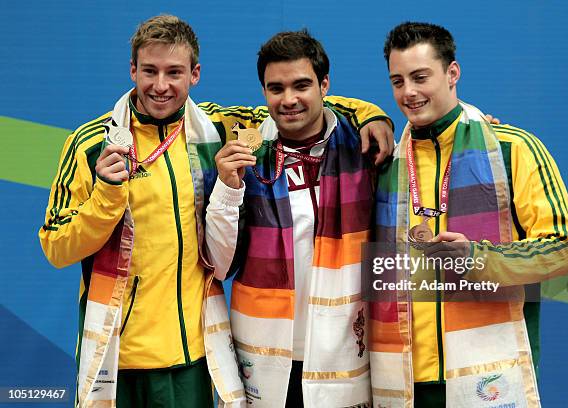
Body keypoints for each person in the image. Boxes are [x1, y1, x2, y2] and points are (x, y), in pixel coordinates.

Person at [38, 15, 393, 408]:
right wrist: (106, 194)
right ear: (132, 70)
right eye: (150, 71)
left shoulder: (219, 126)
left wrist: (371, 113)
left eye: (174, 72)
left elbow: (297, 109)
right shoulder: (91, 143)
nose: (161, 85)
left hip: (194, 353)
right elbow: (57, 247)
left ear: (195, 74)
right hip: (117, 349)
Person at [370, 22, 568, 407]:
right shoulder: (383, 162)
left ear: (452, 73)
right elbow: (306, 107)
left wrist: (478, 259)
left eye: (420, 77)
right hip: (400, 380)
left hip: (489, 375)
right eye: (397, 81)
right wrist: (371, 116)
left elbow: (564, 249)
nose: (408, 93)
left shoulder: (513, 149)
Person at [206, 30, 389, 407]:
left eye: (301, 85)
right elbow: (221, 266)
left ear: (325, 85)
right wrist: (226, 188)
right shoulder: (247, 145)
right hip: (264, 349)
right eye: (276, 88)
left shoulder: (363, 145)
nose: (288, 99)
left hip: (345, 350)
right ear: (263, 93)